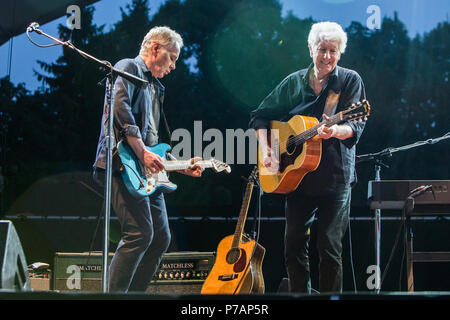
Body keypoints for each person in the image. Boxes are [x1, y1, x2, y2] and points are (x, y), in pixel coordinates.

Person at [249, 22, 366, 293]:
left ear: (340, 53)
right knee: (292, 247)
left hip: (335, 178)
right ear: (310, 49)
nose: (327, 56)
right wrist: (267, 150)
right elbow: (260, 116)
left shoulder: (349, 81)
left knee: (329, 248)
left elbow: (356, 125)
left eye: (333, 51)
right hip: (297, 178)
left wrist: (334, 130)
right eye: (321, 49)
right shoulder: (294, 82)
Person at [93, 26, 204, 293]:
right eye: (172, 57)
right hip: (122, 165)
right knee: (139, 234)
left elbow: (156, 141)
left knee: (160, 238)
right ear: (156, 48)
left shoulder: (155, 88)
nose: (174, 66)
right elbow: (120, 110)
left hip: (145, 173)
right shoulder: (128, 67)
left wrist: (179, 165)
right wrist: (142, 152)